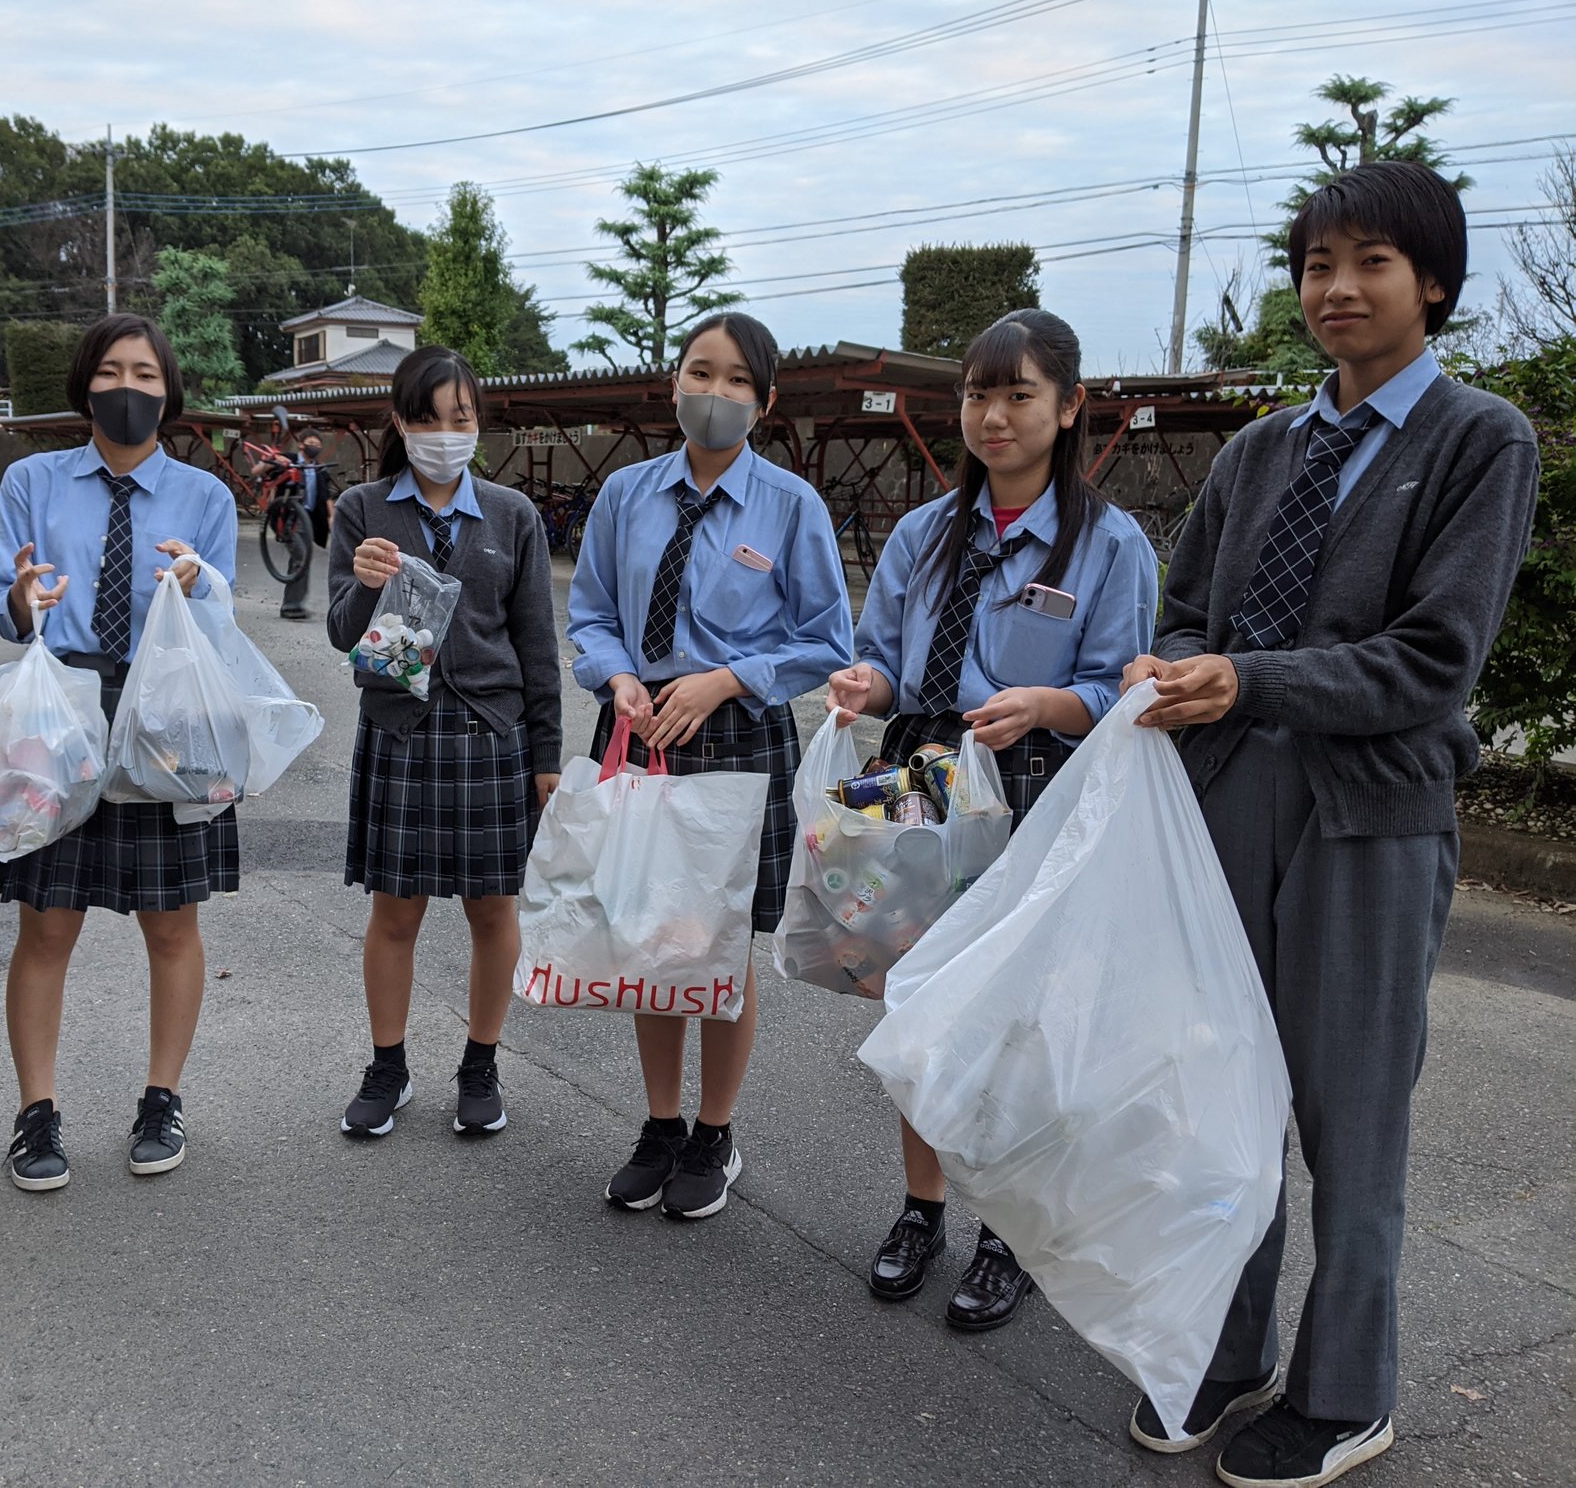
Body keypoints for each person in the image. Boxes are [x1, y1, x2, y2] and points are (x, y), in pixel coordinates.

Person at [1121, 162, 1538, 1488]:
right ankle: (1228, 1347)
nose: (1337, 288)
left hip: (1371, 817)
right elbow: (1189, 612)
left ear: (1434, 284)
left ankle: (1348, 1388)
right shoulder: (1260, 451)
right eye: (1316, 264)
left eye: (1370, 261)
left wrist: (1250, 677)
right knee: (1226, 1093)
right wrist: (1179, 672)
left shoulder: (1481, 440)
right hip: (1232, 797)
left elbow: (1434, 660)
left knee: (1350, 1115)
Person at [828, 308, 1158, 1329]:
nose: (993, 414)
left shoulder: (1108, 545)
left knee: (1017, 1022)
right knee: (915, 1006)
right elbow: (882, 657)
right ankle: (921, 1209)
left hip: (1033, 792)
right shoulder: (925, 533)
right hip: (915, 777)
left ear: (1067, 408)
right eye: (977, 392)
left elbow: (1127, 690)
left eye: (1017, 393)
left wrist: (1055, 706)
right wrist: (861, 682)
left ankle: (1005, 1231)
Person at [568, 311, 853, 1220]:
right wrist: (617, 677)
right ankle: (659, 1124)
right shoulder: (625, 494)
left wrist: (726, 680)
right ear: (675, 383)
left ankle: (714, 1132)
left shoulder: (791, 505)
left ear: (764, 402)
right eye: (702, 372)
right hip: (638, 727)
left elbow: (825, 642)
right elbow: (591, 612)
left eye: (737, 381)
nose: (716, 394)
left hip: (733, 736)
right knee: (651, 936)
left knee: (718, 946)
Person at [0, 313, 241, 1192]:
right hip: (60, 710)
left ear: (168, 392)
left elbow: (222, 605)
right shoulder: (31, 479)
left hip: (168, 714)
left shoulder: (206, 495)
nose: (126, 388)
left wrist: (197, 581)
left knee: (171, 922)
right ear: (83, 386)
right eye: (109, 372)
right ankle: (36, 1114)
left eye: (144, 374)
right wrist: (24, 600)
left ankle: (162, 1098)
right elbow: (3, 602)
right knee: (46, 923)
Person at [327, 346, 561, 1138]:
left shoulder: (511, 515)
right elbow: (339, 633)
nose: (445, 433)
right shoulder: (362, 508)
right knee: (395, 913)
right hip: (400, 732)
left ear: (478, 423)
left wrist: (547, 759)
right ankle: (387, 1067)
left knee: (493, 914)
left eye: (460, 418)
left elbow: (536, 644)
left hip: (491, 736)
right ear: (400, 421)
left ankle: (480, 1063)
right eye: (428, 418)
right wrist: (362, 588)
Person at [280, 432, 336, 621]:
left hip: (308, 521)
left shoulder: (319, 469)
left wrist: (332, 517)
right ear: (301, 444)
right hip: (291, 519)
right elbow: (267, 467)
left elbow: (327, 495)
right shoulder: (290, 460)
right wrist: (276, 460)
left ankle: (292, 603)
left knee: (300, 559)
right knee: (301, 558)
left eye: (317, 443)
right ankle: (292, 605)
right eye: (310, 442)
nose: (314, 446)